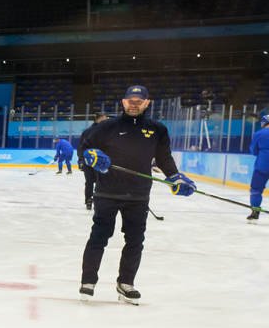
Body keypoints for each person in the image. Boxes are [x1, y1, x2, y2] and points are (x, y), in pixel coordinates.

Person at [76, 84, 194, 303]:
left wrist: (175, 177)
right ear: (123, 102)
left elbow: (164, 158)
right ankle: (88, 281)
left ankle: (126, 283)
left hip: (139, 196)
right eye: (130, 101)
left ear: (147, 103)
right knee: (98, 237)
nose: (134, 104)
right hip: (107, 193)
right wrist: (90, 155)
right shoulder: (107, 127)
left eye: (139, 101)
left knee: (135, 241)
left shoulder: (158, 129)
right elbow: (83, 147)